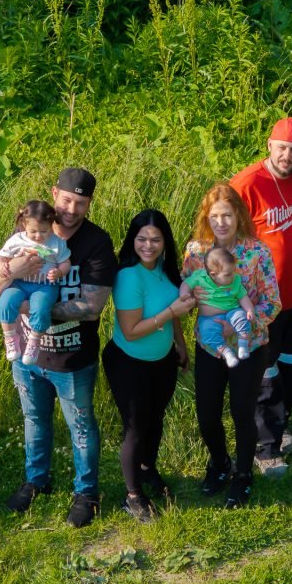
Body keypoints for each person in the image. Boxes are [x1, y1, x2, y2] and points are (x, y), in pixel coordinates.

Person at [0, 167, 116, 528]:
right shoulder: (30, 228)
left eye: (81, 203)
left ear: (89, 204)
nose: (71, 210)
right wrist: (13, 269)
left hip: (73, 357)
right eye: (67, 200)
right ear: (54, 193)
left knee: (81, 426)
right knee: (34, 420)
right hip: (27, 357)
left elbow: (92, 308)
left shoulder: (97, 243)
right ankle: (36, 480)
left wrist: (31, 308)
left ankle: (86, 492)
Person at [182, 184, 281, 509]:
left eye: (227, 215)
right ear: (206, 218)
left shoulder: (257, 252)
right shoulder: (195, 251)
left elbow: (272, 303)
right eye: (214, 216)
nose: (221, 222)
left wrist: (242, 324)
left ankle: (243, 475)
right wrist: (189, 300)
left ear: (238, 215)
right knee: (206, 413)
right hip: (210, 346)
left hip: (248, 346)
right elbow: (187, 293)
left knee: (242, 411)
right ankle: (220, 462)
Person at [230, 117, 292, 477]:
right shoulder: (246, 183)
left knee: (290, 367)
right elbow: (221, 237)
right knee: (265, 372)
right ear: (269, 145)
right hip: (261, 301)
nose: (286, 155)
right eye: (281, 148)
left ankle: (281, 426)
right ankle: (265, 449)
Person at [101, 210, 195, 524]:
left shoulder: (166, 270)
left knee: (156, 419)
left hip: (162, 359)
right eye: (142, 239)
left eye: (156, 239)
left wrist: (180, 345)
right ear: (133, 240)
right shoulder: (128, 276)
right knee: (136, 427)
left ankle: (147, 469)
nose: (148, 246)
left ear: (165, 242)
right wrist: (171, 312)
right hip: (129, 363)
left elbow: (174, 312)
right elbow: (131, 331)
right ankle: (132, 496)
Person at [0, 200, 72, 365]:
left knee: (40, 307)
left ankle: (34, 340)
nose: (38, 236)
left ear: (51, 225)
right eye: (33, 231)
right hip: (20, 283)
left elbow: (66, 262)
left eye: (44, 231)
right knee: (5, 301)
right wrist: (1, 265)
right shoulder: (17, 240)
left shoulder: (56, 243)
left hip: (45, 285)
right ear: (24, 225)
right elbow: (2, 256)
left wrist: (59, 272)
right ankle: (10, 337)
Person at [180, 247, 255, 368]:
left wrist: (249, 310)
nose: (233, 276)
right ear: (213, 275)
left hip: (232, 311)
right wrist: (185, 294)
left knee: (242, 317)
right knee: (207, 332)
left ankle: (243, 344)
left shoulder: (234, 280)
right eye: (228, 274)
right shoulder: (200, 277)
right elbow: (186, 284)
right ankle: (226, 353)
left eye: (233, 271)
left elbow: (243, 297)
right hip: (209, 318)